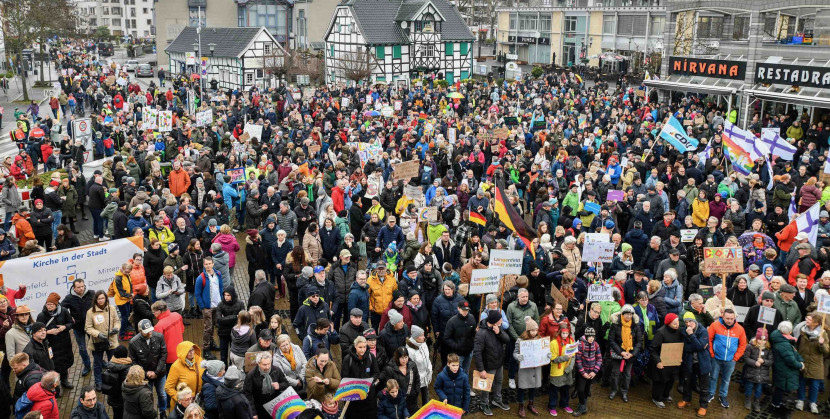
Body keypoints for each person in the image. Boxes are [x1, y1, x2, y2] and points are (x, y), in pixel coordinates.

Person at [707, 308, 746, 408]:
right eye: (727, 318)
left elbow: (742, 345)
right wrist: (711, 353)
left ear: (734, 318)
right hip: (716, 358)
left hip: (730, 360)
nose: (729, 320)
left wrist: (735, 358)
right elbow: (709, 340)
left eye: (732, 318)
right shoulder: (715, 325)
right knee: (713, 377)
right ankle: (711, 393)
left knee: (726, 379)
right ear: (723, 317)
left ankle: (723, 396)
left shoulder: (740, 329)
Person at [473, 309, 510, 415]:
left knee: (498, 382)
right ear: (494, 320)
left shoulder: (498, 328)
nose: (502, 321)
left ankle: (497, 400)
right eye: (500, 319)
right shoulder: (481, 333)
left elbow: (507, 340)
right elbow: (477, 352)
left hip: (499, 363)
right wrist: (481, 369)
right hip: (488, 365)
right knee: (486, 386)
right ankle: (484, 403)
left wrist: (499, 333)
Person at [128, 319, 168, 416]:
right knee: (147, 397)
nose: (150, 332)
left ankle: (163, 412)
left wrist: (156, 372)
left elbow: (163, 355)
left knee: (162, 394)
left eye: (151, 330)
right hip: (144, 377)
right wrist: (145, 373)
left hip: (160, 373)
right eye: (147, 331)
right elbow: (133, 361)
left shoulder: (159, 337)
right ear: (140, 331)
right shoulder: (133, 342)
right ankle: (150, 414)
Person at [35, 292, 74, 388]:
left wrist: (64, 327)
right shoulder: (42, 316)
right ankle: (56, 385)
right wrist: (48, 332)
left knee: (64, 363)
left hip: (64, 343)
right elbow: (37, 331)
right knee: (53, 366)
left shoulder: (64, 311)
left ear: (56, 304)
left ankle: (65, 381)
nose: (49, 306)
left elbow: (71, 323)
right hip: (51, 345)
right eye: (47, 304)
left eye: (51, 304)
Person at [793, 311, 828, 414]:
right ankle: (800, 400)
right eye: (806, 318)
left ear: (816, 323)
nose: (806, 320)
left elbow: (826, 351)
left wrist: (821, 344)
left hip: (815, 364)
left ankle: (813, 402)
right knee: (801, 382)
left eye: (809, 320)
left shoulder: (823, 334)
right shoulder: (802, 330)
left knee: (814, 385)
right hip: (803, 360)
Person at [85, 290, 119, 391]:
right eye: (98, 298)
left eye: (102, 298)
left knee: (112, 363)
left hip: (111, 341)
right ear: (95, 300)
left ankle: (113, 380)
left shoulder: (112, 309)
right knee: (98, 363)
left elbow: (117, 321)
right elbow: (88, 328)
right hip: (97, 343)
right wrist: (98, 334)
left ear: (106, 298)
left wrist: (116, 328)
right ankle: (98, 382)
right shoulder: (90, 312)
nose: (100, 300)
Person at [608, 304, 643, 402]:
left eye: (630, 314)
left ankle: (624, 391)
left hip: (630, 354)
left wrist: (632, 353)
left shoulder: (635, 326)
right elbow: (611, 340)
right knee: (615, 373)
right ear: (622, 314)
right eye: (626, 314)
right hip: (618, 353)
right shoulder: (615, 324)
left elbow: (639, 341)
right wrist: (621, 352)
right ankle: (614, 390)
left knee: (627, 374)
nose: (628, 316)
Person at [340, 335, 379, 419]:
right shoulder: (348, 359)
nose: (363, 350)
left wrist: (369, 385)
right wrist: (356, 387)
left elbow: (375, 373)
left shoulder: (371, 357)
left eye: (364, 347)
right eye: (360, 347)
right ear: (355, 346)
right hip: (353, 396)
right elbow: (344, 377)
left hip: (369, 396)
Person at [649, 313, 683, 408]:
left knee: (670, 380)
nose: (677, 325)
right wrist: (658, 361)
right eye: (674, 324)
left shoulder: (679, 331)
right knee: (660, 381)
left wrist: (679, 356)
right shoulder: (660, 332)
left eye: (678, 322)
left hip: (673, 361)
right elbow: (653, 349)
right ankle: (657, 398)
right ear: (668, 323)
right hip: (662, 362)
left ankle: (666, 395)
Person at [770, 321, 804, 414]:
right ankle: (776, 405)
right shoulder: (784, 344)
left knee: (780, 388)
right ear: (789, 332)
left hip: (780, 367)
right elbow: (791, 360)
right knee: (780, 388)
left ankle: (778, 403)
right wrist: (800, 365)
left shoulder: (778, 338)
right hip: (784, 369)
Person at [61, 278, 94, 377]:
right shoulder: (69, 298)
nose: (81, 289)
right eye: (78, 287)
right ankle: (87, 365)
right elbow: (61, 308)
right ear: (74, 288)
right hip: (78, 328)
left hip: (90, 326)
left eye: (82, 286)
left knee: (95, 346)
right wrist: (69, 316)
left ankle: (100, 362)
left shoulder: (92, 293)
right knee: (82, 349)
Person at [513, 316, 544, 417]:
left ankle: (531, 404)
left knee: (533, 387)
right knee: (522, 388)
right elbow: (515, 353)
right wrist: (518, 356)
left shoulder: (540, 339)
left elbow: (543, 352)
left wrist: (547, 355)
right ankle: (521, 406)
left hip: (535, 368)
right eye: (532, 330)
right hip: (525, 368)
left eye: (536, 330)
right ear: (528, 330)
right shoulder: (520, 340)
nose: (535, 332)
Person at [245, 351, 289, 419]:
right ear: (258, 363)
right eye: (264, 365)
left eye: (269, 364)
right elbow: (248, 395)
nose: (267, 367)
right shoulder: (251, 375)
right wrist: (253, 412)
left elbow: (286, 384)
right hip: (260, 407)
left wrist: (279, 386)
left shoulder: (276, 370)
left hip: (276, 405)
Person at [194, 256, 223, 352]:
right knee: (207, 328)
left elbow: (221, 288)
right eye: (206, 264)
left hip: (217, 306)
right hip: (207, 308)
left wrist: (222, 301)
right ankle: (206, 348)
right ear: (203, 265)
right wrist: (203, 306)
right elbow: (197, 294)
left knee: (213, 326)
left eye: (210, 263)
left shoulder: (218, 274)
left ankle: (211, 343)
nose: (208, 265)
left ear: (213, 264)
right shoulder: (200, 278)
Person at [572, 326, 601, 417]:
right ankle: (582, 406)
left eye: (593, 336)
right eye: (590, 336)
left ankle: (583, 404)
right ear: (586, 336)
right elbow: (578, 360)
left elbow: (599, 359)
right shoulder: (581, 344)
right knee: (580, 389)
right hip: (583, 372)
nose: (591, 338)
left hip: (591, 372)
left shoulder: (596, 345)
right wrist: (583, 372)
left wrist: (594, 371)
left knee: (587, 390)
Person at [165, 341, 204, 409]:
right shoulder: (176, 366)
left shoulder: (199, 360)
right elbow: (168, 387)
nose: (191, 352)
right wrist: (181, 399)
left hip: (197, 402)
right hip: (182, 405)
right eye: (188, 351)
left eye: (192, 349)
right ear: (183, 353)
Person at [742, 328, 772, 413]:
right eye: (760, 339)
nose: (762, 342)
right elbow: (746, 358)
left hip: (762, 375)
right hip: (751, 373)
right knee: (749, 387)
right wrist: (754, 363)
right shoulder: (750, 346)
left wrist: (764, 361)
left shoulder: (768, 350)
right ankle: (747, 400)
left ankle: (756, 401)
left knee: (759, 389)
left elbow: (771, 361)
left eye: (764, 340)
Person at [152, 301, 185, 369]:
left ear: (159, 311)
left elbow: (157, 346)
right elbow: (182, 330)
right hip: (181, 352)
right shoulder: (177, 315)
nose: (153, 314)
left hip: (169, 357)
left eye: (154, 312)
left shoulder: (158, 326)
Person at [102, 346, 133, 419]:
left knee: (116, 415)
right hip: (125, 400)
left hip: (114, 399)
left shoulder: (110, 364)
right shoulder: (128, 369)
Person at [405, 325, 432, 407]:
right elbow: (411, 367)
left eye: (423, 335)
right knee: (414, 399)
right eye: (421, 335)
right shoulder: (409, 350)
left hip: (426, 377)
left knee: (426, 398)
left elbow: (427, 359)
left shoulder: (423, 344)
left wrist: (430, 372)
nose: (424, 337)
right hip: (417, 379)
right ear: (415, 337)